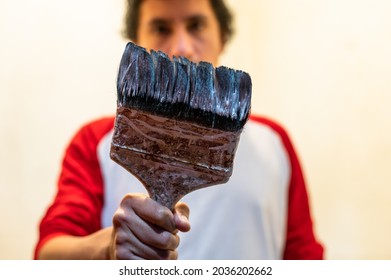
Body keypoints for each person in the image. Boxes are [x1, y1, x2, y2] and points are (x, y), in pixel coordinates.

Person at [35, 0, 324, 260]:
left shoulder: (274, 143)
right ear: (137, 41)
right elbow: (49, 253)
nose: (182, 46)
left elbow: (304, 257)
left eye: (196, 25)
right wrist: (107, 248)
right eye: (161, 28)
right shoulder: (94, 141)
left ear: (222, 37)